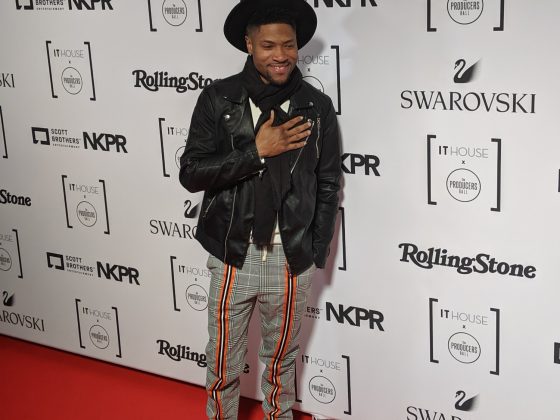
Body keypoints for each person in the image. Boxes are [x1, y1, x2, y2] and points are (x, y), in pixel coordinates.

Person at [179, 0, 341, 418]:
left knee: (281, 364)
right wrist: (256, 151)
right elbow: (191, 173)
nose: (281, 55)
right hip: (235, 254)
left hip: (290, 258)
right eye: (268, 45)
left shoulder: (316, 107)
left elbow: (327, 184)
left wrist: (312, 251)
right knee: (223, 365)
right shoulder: (219, 99)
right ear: (249, 45)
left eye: (289, 45)